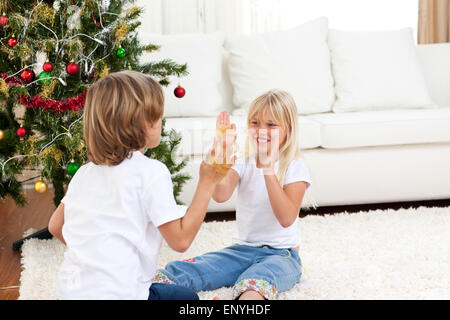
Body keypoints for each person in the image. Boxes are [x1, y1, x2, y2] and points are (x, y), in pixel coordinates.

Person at [48, 70, 225, 300]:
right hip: (123, 295)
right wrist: (207, 181)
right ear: (141, 125)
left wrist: (96, 257)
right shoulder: (151, 172)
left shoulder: (85, 172)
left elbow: (55, 226)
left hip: (70, 294)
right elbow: (180, 240)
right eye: (157, 117)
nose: (161, 122)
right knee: (188, 299)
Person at [154, 89, 312, 300]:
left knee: (257, 282)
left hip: (282, 255)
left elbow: (286, 218)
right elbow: (220, 194)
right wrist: (221, 154)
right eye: (255, 123)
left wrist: (267, 169)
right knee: (189, 269)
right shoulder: (244, 161)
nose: (261, 130)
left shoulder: (294, 166)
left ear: (288, 130)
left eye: (271, 125)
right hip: (242, 250)